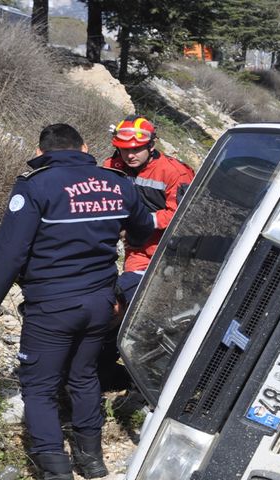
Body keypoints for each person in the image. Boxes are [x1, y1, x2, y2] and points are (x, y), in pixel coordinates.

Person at [0, 124, 154, 480]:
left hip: (53, 305)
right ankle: (92, 461)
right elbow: (142, 228)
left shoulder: (35, 186)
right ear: (84, 148)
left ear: (41, 153)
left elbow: (9, 254)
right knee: (83, 375)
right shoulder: (117, 183)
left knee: (39, 388)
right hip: (100, 303)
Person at [99, 116, 194, 392]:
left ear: (151, 145)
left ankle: (144, 374)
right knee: (123, 306)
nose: (130, 155)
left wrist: (141, 222)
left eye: (136, 149)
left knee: (140, 311)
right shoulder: (111, 166)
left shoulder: (174, 173)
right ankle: (104, 367)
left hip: (170, 255)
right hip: (136, 252)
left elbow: (185, 214)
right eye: (124, 149)